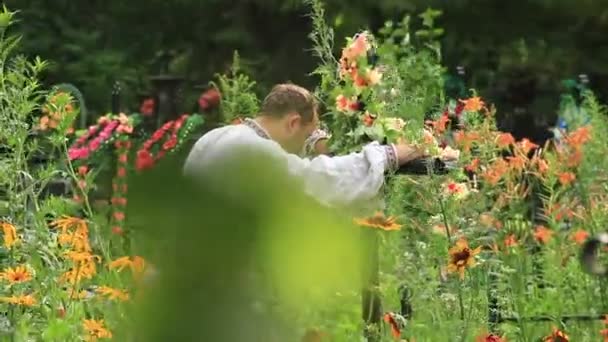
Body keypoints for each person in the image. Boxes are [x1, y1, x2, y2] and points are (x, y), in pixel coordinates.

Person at [183, 83, 425, 210]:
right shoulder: (256, 152)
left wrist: (316, 143)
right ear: (293, 123)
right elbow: (316, 181)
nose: (307, 143)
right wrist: (390, 154)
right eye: (308, 135)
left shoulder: (216, 136)